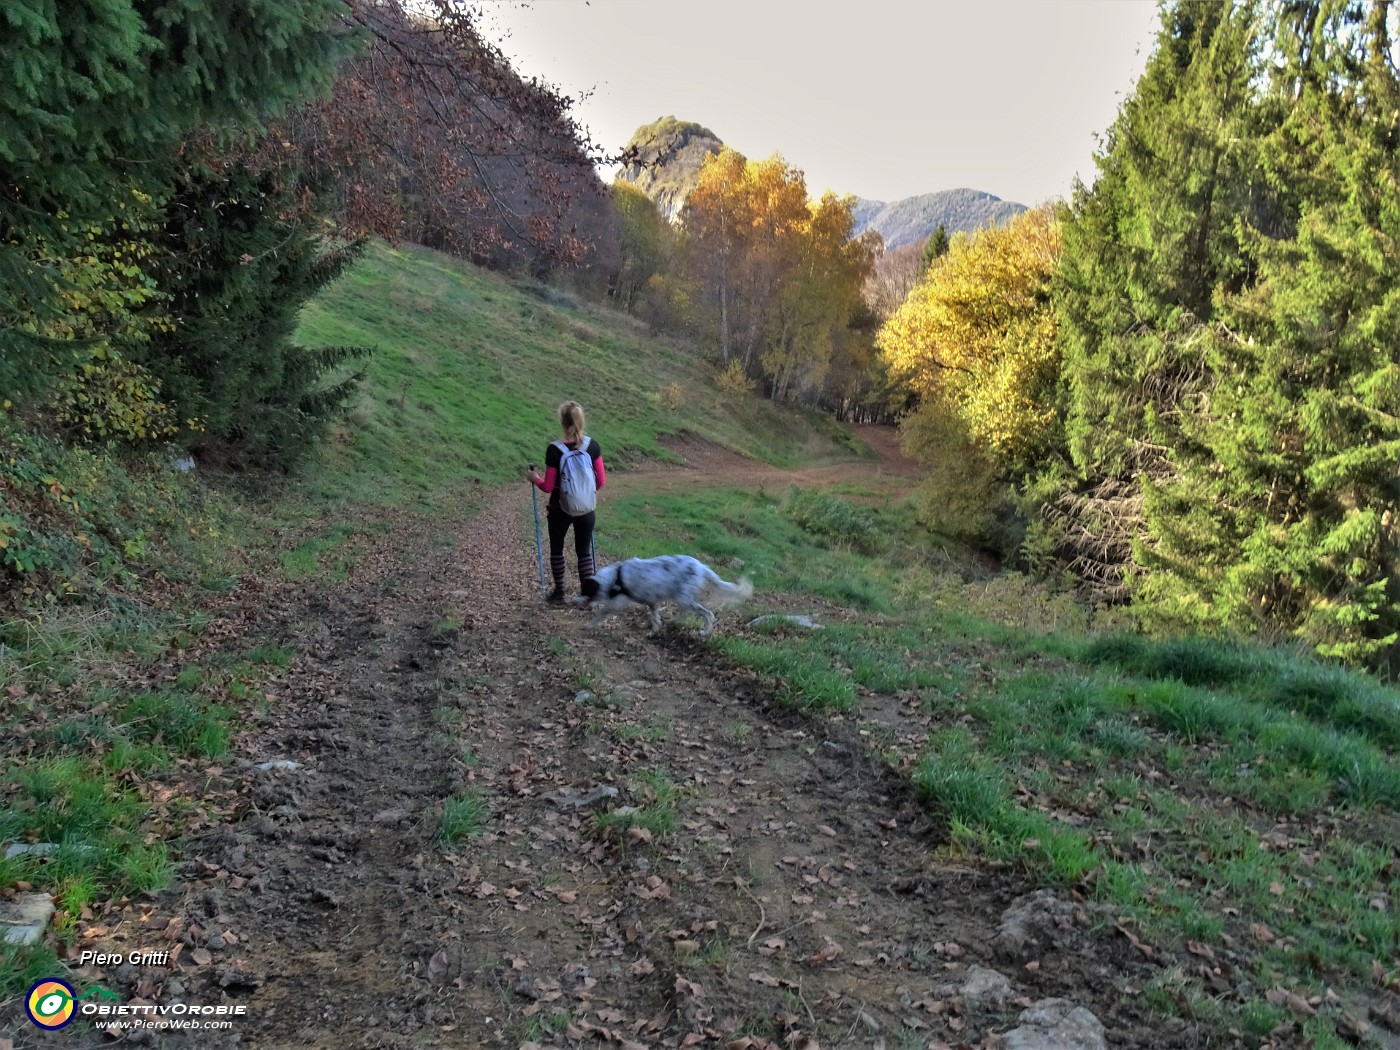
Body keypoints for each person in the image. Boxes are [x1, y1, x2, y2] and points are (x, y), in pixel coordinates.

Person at [525, 400, 605, 603]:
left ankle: (559, 592)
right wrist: (584, 492)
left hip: (560, 508)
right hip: (586, 509)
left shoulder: (555, 449)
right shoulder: (592, 446)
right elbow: (601, 481)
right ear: (581, 419)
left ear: (562, 420)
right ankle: (587, 596)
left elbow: (548, 487)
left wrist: (535, 479)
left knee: (557, 549)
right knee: (583, 551)